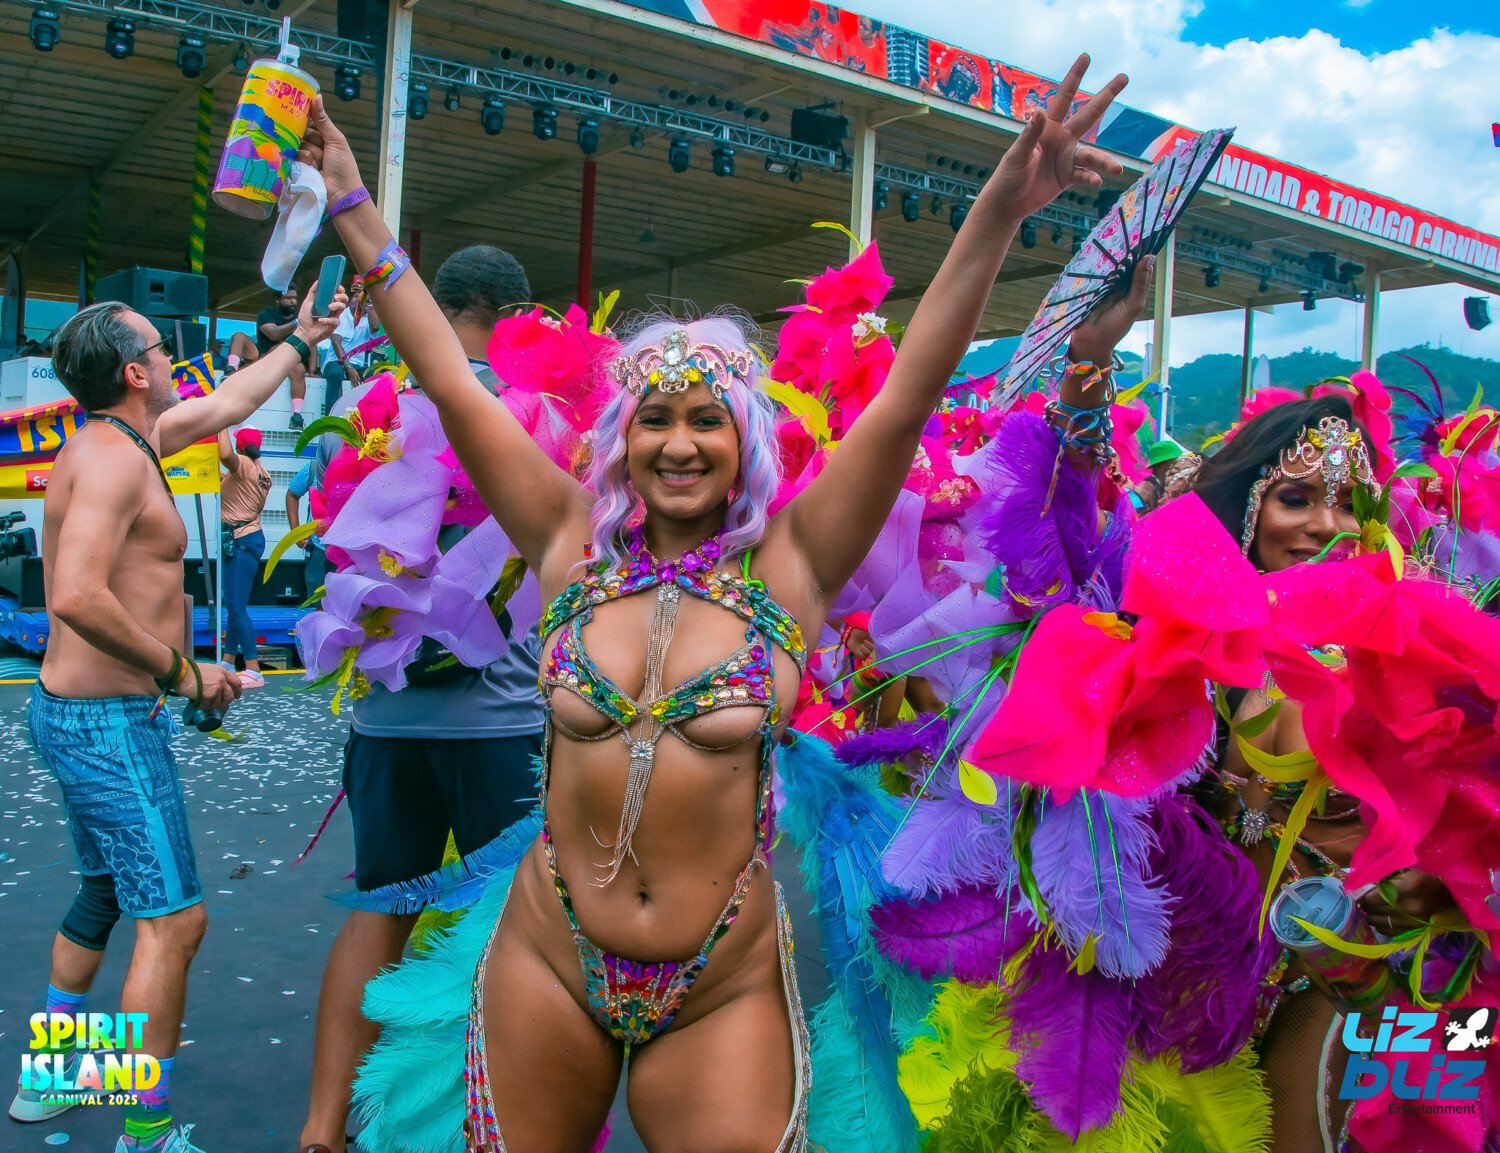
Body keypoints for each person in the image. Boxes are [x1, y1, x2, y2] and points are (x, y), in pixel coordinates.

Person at [302, 52, 1126, 1150]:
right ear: (622, 441)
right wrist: (353, 206)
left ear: (746, 443)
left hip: (716, 979)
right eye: (655, 419)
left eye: (707, 421)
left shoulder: (793, 563)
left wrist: (1004, 207)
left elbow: (908, 391)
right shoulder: (565, 542)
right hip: (548, 954)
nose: (679, 443)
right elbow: (452, 379)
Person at [14, 287, 345, 1151]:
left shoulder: (130, 439)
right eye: (161, 349)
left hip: (85, 714)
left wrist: (302, 342)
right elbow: (76, 594)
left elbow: (232, 401)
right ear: (134, 372)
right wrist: (186, 674)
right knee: (174, 922)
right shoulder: (115, 460)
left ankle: (50, 1083)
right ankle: (146, 1131)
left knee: (103, 892)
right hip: (108, 724)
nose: (172, 357)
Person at [297, 244, 546, 1153]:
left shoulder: (372, 407)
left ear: (440, 307)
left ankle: (323, 1130)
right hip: (502, 719)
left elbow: (328, 540)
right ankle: (498, 1126)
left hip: (387, 715)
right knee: (512, 933)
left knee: (381, 909)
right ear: (514, 317)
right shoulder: (539, 410)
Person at [217, 425, 273, 688]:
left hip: (240, 540)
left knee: (236, 607)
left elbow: (225, 454)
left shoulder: (243, 466)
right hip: (250, 538)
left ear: (240, 446)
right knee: (235, 604)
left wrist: (220, 423)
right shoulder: (262, 472)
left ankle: (253, 669)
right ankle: (228, 660)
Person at [257, 284, 314, 430]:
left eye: (295, 298)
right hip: (265, 360)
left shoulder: (299, 318)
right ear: (277, 299)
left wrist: (312, 372)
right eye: (288, 298)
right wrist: (297, 323)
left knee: (299, 367)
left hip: (289, 363)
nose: (293, 301)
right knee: (239, 337)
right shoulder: (266, 314)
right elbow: (274, 334)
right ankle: (230, 370)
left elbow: (312, 342)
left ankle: (296, 417)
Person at [316, 276, 373, 416]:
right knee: (335, 374)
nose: (357, 299)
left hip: (357, 364)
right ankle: (331, 418)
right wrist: (349, 367)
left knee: (375, 376)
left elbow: (376, 327)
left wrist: (370, 300)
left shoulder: (368, 318)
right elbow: (336, 342)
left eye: (361, 297)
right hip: (336, 361)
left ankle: (367, 418)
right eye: (355, 297)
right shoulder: (342, 314)